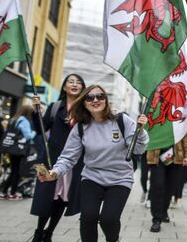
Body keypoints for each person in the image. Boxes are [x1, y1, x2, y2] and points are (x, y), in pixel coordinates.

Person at [38, 84, 149, 242]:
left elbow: (138, 150)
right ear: (84, 102)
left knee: (108, 219)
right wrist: (54, 173)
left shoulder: (121, 120)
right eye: (90, 97)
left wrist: (140, 132)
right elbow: (68, 157)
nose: (95, 100)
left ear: (106, 100)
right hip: (92, 177)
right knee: (88, 218)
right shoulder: (80, 128)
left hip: (120, 178)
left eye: (100, 96)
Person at [30, 74, 86, 242]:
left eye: (78, 82)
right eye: (71, 82)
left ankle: (49, 232)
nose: (75, 84)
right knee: (47, 197)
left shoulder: (86, 109)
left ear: (83, 87)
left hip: (74, 162)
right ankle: (39, 231)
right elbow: (41, 129)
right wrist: (36, 112)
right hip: (52, 159)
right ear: (64, 87)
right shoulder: (55, 107)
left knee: (62, 198)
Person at [147, 132, 187, 232]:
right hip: (156, 155)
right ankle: (156, 219)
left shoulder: (180, 116)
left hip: (176, 157)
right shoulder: (155, 115)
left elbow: (186, 135)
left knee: (170, 187)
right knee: (157, 185)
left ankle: (163, 211)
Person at [0, 104, 36, 200]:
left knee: (13, 171)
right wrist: (34, 133)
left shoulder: (14, 119)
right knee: (17, 172)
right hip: (19, 149)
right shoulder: (24, 121)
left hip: (11, 148)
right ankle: (12, 193)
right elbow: (28, 136)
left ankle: (4, 192)